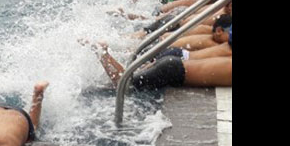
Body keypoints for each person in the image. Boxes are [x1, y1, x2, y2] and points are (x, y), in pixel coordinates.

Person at [95, 28, 232, 90]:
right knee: (125, 84)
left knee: (127, 79)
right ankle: (103, 53)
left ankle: (103, 53)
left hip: (175, 63)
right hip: (172, 70)